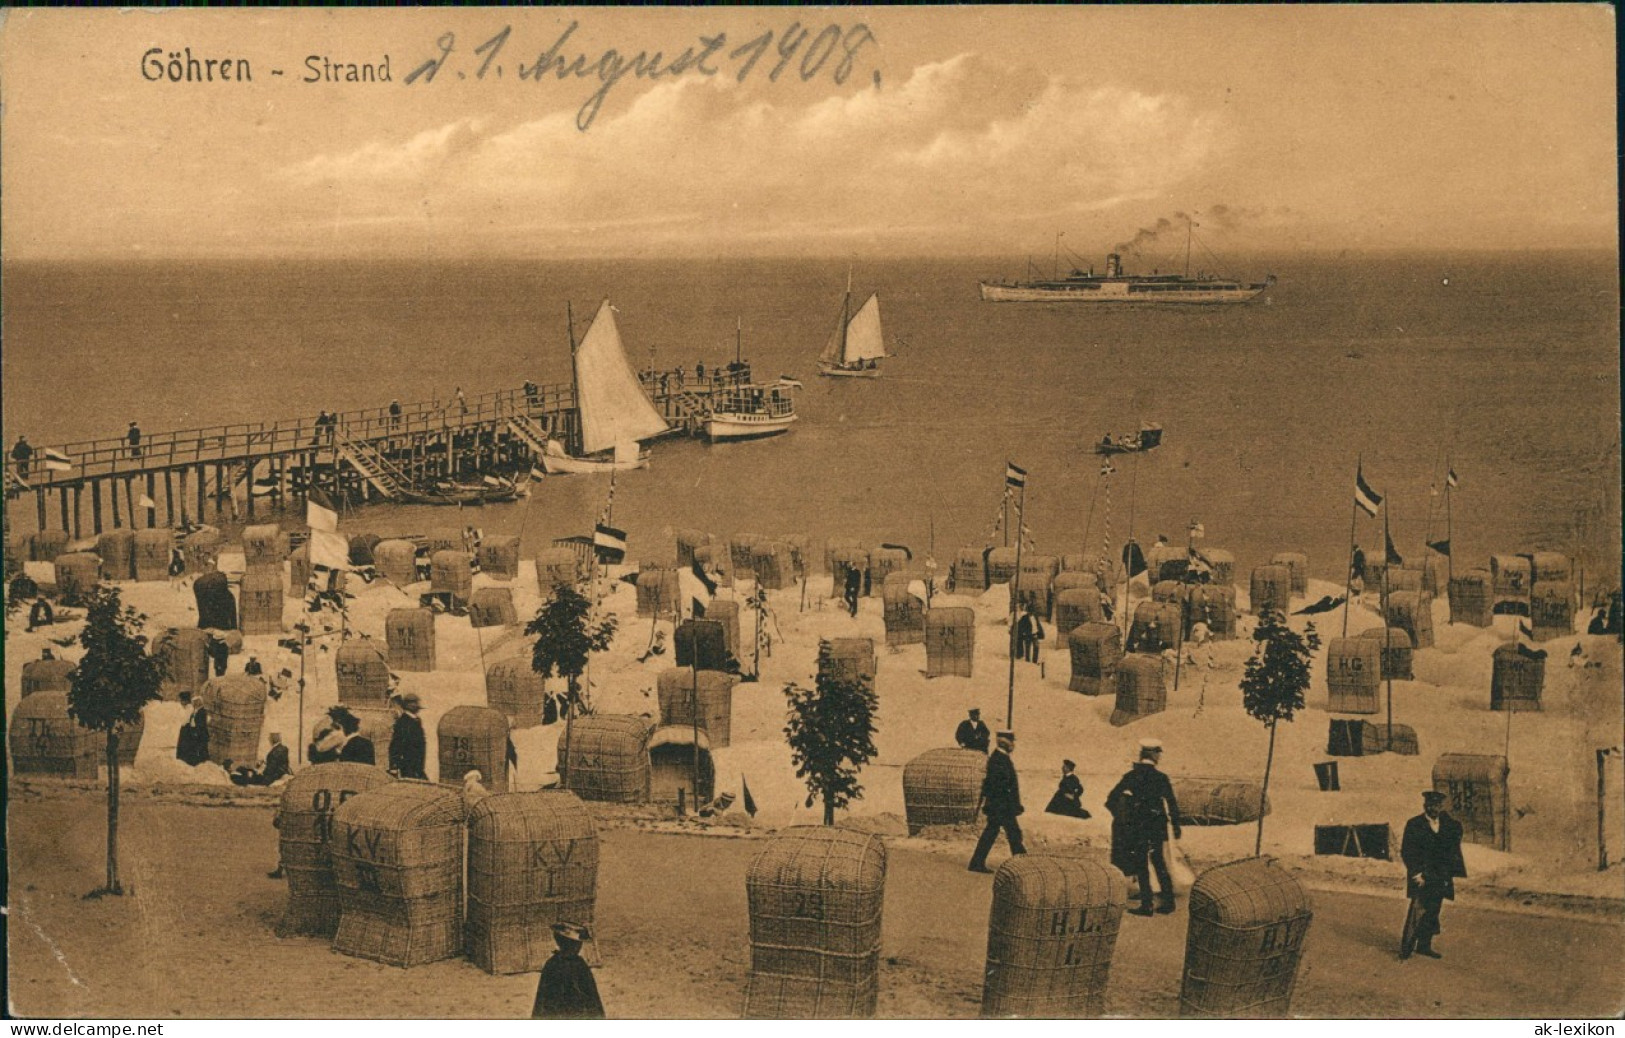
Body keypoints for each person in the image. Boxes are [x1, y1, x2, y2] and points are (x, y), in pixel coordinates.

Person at [1106, 739, 1182, 916]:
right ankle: (1168, 902)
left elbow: (1111, 799)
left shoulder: (1131, 776)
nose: (1159, 757)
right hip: (1157, 826)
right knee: (1159, 862)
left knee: (1141, 864)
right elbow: (1172, 803)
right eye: (1158, 753)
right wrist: (1176, 826)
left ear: (1142, 755)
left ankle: (1146, 904)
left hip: (1138, 826)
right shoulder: (1161, 777)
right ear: (1153, 755)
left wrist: (1122, 818)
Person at [1400, 790, 1466, 960]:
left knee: (1433, 910)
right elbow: (1407, 851)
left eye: (1437, 805)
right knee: (1418, 910)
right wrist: (1416, 874)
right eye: (1431, 805)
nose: (1434, 809)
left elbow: (1456, 835)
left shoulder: (1446, 824)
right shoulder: (1414, 824)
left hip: (1438, 876)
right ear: (1425, 806)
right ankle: (1407, 947)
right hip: (1422, 876)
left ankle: (1424, 945)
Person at [968, 731, 1025, 873]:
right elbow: (1000, 785)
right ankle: (1022, 863)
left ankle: (977, 862)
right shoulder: (999, 759)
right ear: (1006, 743)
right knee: (1011, 833)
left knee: (1003, 833)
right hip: (1001, 806)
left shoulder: (1000, 757)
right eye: (1012, 742)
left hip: (1000, 805)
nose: (1014, 746)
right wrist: (1010, 803)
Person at [531, 922, 605, 1019]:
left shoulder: (556, 964)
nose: (578, 947)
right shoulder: (573, 965)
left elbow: (592, 996)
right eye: (576, 944)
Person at [388, 692, 428, 780]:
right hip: (408, 766)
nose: (417, 706)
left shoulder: (415, 720)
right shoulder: (403, 722)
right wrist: (394, 766)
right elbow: (395, 744)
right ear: (409, 705)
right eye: (415, 703)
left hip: (417, 765)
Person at [176, 695, 211, 767]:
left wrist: (196, 731)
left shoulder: (202, 712)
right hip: (196, 732)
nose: (194, 704)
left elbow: (201, 724)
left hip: (201, 734)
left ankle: (203, 763)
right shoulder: (196, 711)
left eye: (195, 703)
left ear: (199, 703)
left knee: (202, 750)